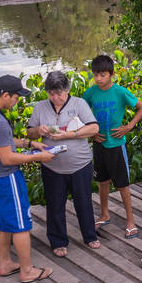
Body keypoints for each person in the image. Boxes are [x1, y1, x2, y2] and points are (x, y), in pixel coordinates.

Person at [0, 75, 55, 283]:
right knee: (21, 225)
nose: (18, 101)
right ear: (5, 94)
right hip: (5, 179)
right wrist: (39, 157)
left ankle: (6, 263)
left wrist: (30, 144)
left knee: (2, 222)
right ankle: (27, 271)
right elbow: (7, 157)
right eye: (16, 97)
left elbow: (3, 142)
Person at [26, 71, 102, 257]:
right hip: (52, 166)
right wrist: (38, 129)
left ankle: (89, 236)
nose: (55, 97)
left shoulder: (79, 104)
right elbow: (30, 133)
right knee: (54, 204)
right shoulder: (41, 107)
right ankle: (58, 241)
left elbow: (94, 128)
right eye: (51, 94)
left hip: (80, 164)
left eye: (59, 93)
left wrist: (70, 134)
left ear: (67, 90)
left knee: (84, 202)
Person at [82, 54, 142, 239]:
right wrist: (92, 132)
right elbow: (79, 114)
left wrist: (129, 126)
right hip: (99, 144)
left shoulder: (120, 92)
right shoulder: (90, 93)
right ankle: (104, 214)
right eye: (95, 75)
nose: (98, 79)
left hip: (116, 145)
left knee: (123, 185)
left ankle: (130, 220)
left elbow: (141, 108)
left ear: (111, 74)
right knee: (102, 182)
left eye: (102, 75)